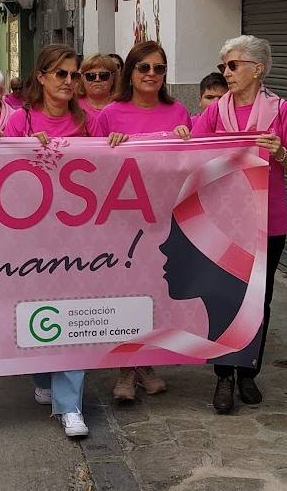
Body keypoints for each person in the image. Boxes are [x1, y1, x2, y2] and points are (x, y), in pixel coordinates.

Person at [191, 35, 287, 415]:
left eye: (233, 65)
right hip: (223, 219)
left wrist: (281, 153)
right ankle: (224, 375)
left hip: (267, 220)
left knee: (260, 297)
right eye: (224, 65)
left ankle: (248, 372)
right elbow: (191, 157)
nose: (226, 72)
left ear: (258, 69)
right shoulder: (215, 112)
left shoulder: (280, 111)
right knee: (225, 296)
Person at [0, 45, 96, 438]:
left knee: (71, 314)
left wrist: (118, 142)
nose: (69, 82)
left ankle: (70, 406)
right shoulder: (20, 121)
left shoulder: (90, 121)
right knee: (34, 309)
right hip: (29, 240)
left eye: (75, 75)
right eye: (61, 74)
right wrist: (7, 146)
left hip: (77, 238)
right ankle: (42, 374)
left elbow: (112, 169)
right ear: (42, 77)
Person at [98, 40, 192, 403]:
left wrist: (187, 141)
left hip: (164, 219)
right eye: (144, 68)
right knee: (126, 292)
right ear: (131, 73)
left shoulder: (179, 112)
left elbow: (189, 165)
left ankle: (148, 363)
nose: (152, 74)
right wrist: (109, 146)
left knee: (156, 293)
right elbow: (91, 167)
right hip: (122, 220)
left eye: (159, 68)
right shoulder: (110, 114)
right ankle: (125, 370)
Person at [78, 53, 118, 117]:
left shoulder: (122, 106)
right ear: (82, 78)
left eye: (103, 75)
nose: (97, 79)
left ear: (113, 78)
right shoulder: (74, 107)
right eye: (91, 76)